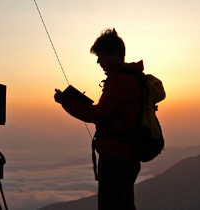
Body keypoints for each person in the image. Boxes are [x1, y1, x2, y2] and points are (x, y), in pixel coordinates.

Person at [53, 28, 145, 210]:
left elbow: (98, 114)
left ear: (115, 55)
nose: (98, 61)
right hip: (127, 155)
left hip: (116, 157)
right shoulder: (129, 78)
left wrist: (66, 101)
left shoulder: (121, 82)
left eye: (101, 56)